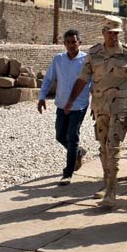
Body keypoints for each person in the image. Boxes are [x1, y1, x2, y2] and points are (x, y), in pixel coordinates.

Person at [66, 15, 127, 208]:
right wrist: (71, 100)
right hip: (100, 106)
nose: (113, 36)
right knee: (103, 147)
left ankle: (111, 191)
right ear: (103, 33)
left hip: (121, 107)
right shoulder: (94, 53)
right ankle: (107, 182)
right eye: (110, 33)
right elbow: (83, 78)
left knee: (113, 146)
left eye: (116, 33)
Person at [37, 29, 91, 186]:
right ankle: (78, 152)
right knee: (60, 136)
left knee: (72, 137)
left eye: (73, 42)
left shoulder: (87, 60)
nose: (71, 45)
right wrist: (42, 97)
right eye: (68, 42)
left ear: (79, 43)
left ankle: (68, 173)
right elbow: (49, 79)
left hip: (79, 105)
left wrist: (96, 103)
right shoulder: (58, 59)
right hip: (61, 104)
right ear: (64, 44)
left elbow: (93, 82)